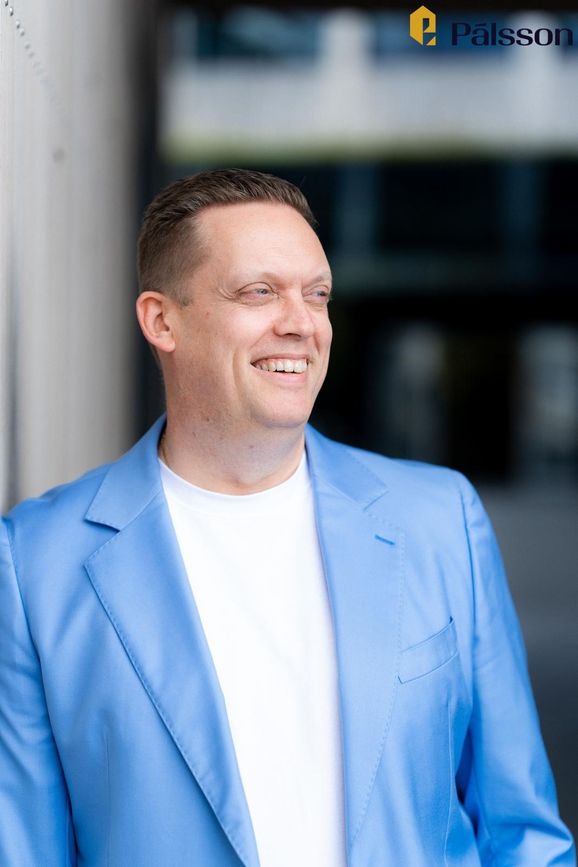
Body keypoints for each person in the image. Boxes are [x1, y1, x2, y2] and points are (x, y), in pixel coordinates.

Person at [0, 169, 574, 867]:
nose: (301, 323)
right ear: (162, 320)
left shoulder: (440, 521)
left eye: (317, 294)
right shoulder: (36, 563)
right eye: (259, 292)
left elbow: (524, 834)